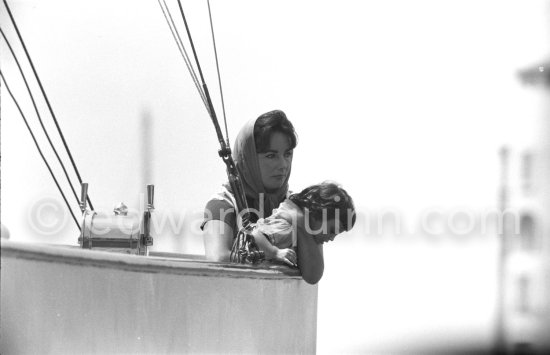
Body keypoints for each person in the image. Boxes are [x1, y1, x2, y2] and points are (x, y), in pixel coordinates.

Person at [202, 109, 297, 261]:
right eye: (271, 156)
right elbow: (217, 258)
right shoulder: (223, 204)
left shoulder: (294, 204)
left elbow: (313, 272)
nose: (283, 165)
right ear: (248, 159)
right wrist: (272, 255)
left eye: (287, 154)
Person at [250, 181, 356, 283]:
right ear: (317, 214)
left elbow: (313, 274)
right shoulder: (287, 230)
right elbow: (254, 236)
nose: (332, 238)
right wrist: (275, 252)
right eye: (332, 230)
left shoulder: (301, 231)